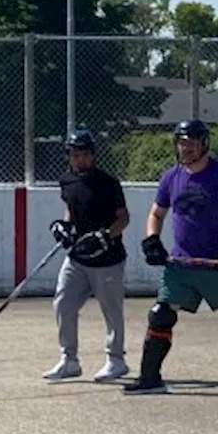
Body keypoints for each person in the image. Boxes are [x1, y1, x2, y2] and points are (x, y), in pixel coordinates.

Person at [125, 119, 218, 395]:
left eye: (192, 144)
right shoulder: (171, 176)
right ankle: (150, 378)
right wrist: (152, 239)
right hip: (182, 264)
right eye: (182, 143)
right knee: (161, 314)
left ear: (204, 145)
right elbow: (156, 213)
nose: (186, 149)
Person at [43, 129, 132, 382]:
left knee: (111, 310)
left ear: (93, 155)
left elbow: (123, 218)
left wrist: (106, 236)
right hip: (77, 259)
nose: (80, 159)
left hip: (108, 260)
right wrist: (65, 227)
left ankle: (116, 360)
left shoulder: (108, 183)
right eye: (74, 154)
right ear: (68, 156)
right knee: (63, 303)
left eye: (84, 154)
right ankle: (69, 360)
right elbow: (71, 210)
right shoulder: (67, 181)